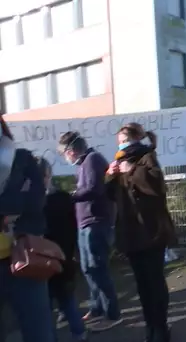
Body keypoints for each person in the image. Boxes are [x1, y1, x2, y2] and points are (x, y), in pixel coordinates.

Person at [106, 123, 176, 342]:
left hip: (152, 233)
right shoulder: (119, 161)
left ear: (136, 139)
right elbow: (109, 195)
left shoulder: (147, 157)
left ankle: (161, 328)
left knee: (155, 283)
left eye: (124, 140)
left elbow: (156, 186)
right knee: (142, 286)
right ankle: (150, 327)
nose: (122, 145)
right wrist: (109, 175)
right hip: (131, 235)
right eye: (119, 142)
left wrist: (132, 171)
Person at [58, 131, 122, 332]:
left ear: (72, 151)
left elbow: (95, 189)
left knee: (98, 268)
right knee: (88, 268)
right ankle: (97, 307)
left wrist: (71, 197)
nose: (65, 158)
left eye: (64, 154)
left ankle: (112, 313)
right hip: (85, 224)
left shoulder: (93, 160)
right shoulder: (83, 164)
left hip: (97, 222)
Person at [0, 116, 56, 342]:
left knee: (38, 331)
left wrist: (11, 207)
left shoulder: (21, 158)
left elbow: (35, 201)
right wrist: (11, 206)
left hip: (23, 257)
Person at [37, 157, 88, 341]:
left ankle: (50, 336)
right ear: (49, 174)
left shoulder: (29, 204)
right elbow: (73, 227)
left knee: (44, 305)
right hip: (63, 255)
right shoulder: (64, 198)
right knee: (67, 299)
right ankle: (79, 333)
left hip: (39, 259)